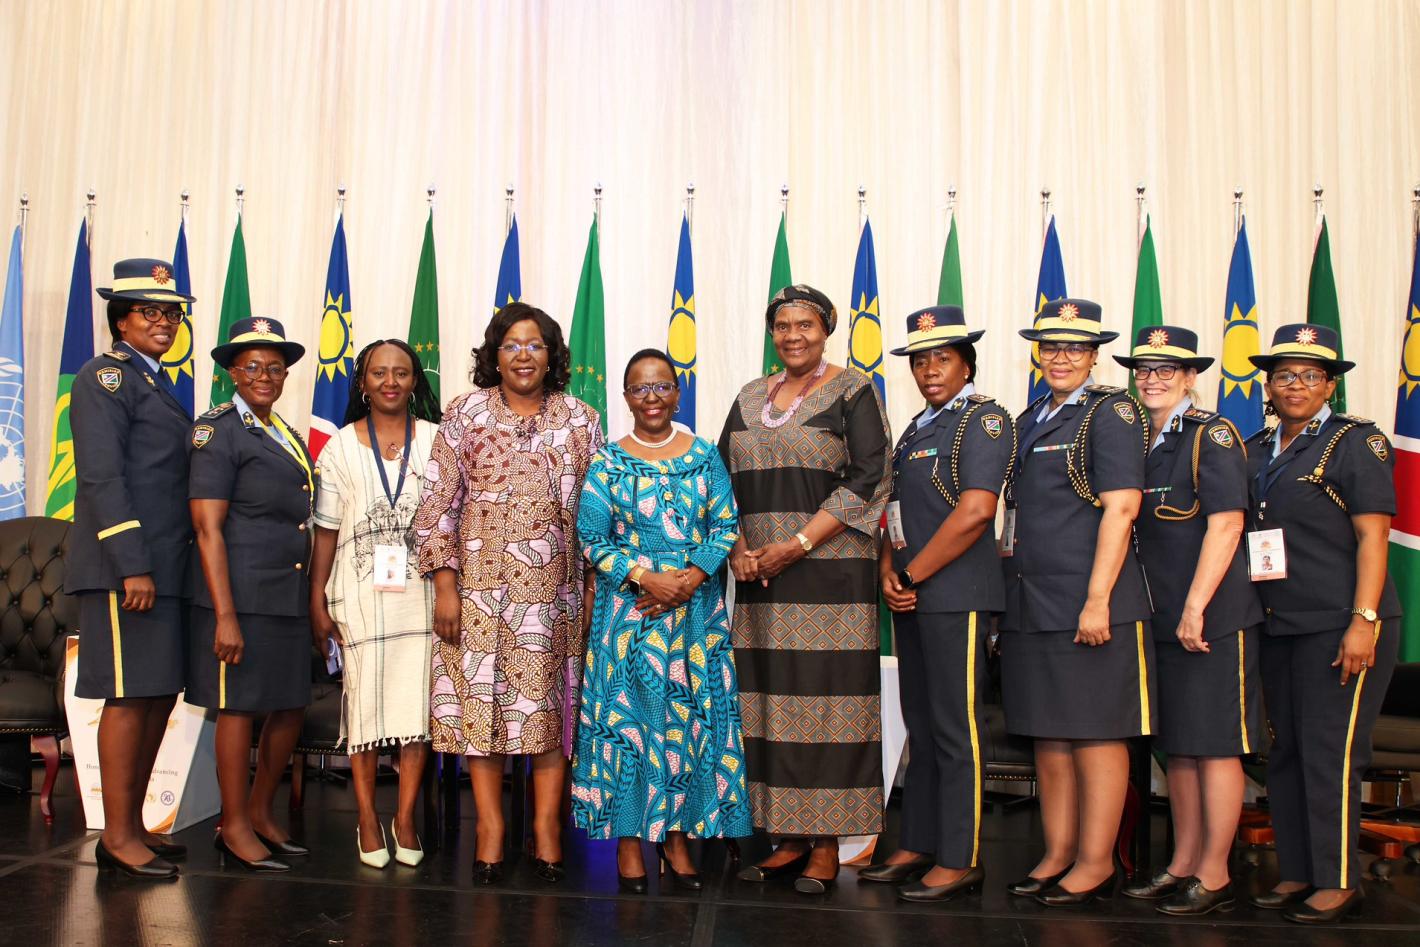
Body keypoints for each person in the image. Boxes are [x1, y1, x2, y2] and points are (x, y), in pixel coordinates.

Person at [414, 302, 603, 885]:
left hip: (556, 598)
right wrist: (445, 584)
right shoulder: (465, 414)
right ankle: (491, 829)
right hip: (478, 594)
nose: (524, 355)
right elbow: (436, 505)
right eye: (512, 344)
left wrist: (594, 590)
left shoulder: (580, 419)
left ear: (553, 357)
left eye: (536, 345)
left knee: (550, 717)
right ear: (494, 355)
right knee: (482, 715)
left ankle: (546, 829)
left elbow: (600, 515)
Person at [718, 283, 892, 895]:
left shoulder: (854, 391)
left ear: (827, 329)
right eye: (783, 325)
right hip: (762, 578)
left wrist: (797, 544)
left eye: (806, 325)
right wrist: (739, 548)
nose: (793, 335)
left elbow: (872, 476)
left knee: (826, 707)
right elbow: (720, 481)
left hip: (829, 578)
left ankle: (825, 842)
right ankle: (785, 836)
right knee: (769, 705)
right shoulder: (746, 397)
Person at [572, 349, 751, 893]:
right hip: (628, 616)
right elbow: (591, 538)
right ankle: (629, 843)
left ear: (678, 392)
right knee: (631, 729)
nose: (651, 397)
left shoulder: (703, 456)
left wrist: (689, 580)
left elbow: (725, 524)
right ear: (626, 397)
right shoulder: (607, 462)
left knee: (691, 728)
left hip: (695, 616)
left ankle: (676, 840)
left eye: (662, 387)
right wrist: (647, 578)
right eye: (639, 388)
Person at [1243, 324, 1401, 924]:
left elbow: (1372, 536)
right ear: (1268, 382)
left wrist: (1363, 620)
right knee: (1284, 753)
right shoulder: (1258, 447)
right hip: (1278, 620)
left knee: (1330, 752)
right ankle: (1301, 870)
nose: (1295, 384)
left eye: (1310, 375)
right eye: (1284, 374)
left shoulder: (1355, 442)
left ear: (1330, 384)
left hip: (1341, 623)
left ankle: (1338, 879)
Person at [1000, 298, 1154, 907]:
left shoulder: (1111, 411)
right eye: (1050, 346)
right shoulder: (1032, 415)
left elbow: (1122, 507)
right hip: (1031, 599)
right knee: (1049, 736)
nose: (1060, 357)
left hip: (1090, 599)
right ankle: (1058, 852)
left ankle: (1096, 862)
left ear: (1093, 355)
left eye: (1074, 347)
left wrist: (1098, 600)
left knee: (1095, 734)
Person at [862, 306, 1013, 902]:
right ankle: (919, 841)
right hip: (912, 596)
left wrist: (912, 572)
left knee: (957, 730)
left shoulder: (984, 420)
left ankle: (961, 856)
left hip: (955, 596)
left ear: (967, 364)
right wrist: (887, 570)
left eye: (941, 358)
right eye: (920, 360)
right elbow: (893, 514)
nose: (928, 369)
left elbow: (976, 511)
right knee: (923, 728)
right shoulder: (919, 427)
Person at [1112, 326, 1263, 915]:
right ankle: (1182, 864)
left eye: (1166, 368)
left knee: (1215, 747)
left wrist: (1197, 606)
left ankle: (1216, 873)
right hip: (1159, 618)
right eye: (1144, 368)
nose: (1152, 377)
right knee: (1179, 748)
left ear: (1190, 376)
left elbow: (1226, 525)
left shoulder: (1212, 434)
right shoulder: (1137, 440)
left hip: (1212, 617)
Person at [69, 258, 196, 879]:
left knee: (153, 696)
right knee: (126, 696)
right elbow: (101, 476)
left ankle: (135, 823)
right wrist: (131, 566)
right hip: (129, 571)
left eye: (172, 313)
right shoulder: (106, 378)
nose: (164, 323)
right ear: (120, 317)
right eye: (150, 311)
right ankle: (116, 835)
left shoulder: (155, 384)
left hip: (164, 568)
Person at [309, 340, 442, 869]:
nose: (390, 381)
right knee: (363, 708)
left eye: (402, 373)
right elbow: (325, 532)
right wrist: (318, 602)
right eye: (379, 373)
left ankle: (404, 817)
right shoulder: (338, 447)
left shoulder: (436, 441)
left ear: (415, 382)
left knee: (417, 707)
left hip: (423, 595)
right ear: (362, 383)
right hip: (358, 595)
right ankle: (366, 816)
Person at [188, 317, 315, 872]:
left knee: (289, 706)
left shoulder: (279, 429)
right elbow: (207, 528)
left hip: (285, 591)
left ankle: (261, 812)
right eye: (252, 367)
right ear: (231, 373)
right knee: (236, 709)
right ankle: (232, 824)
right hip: (238, 595)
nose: (265, 375)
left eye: (275, 367)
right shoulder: (218, 431)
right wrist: (224, 615)